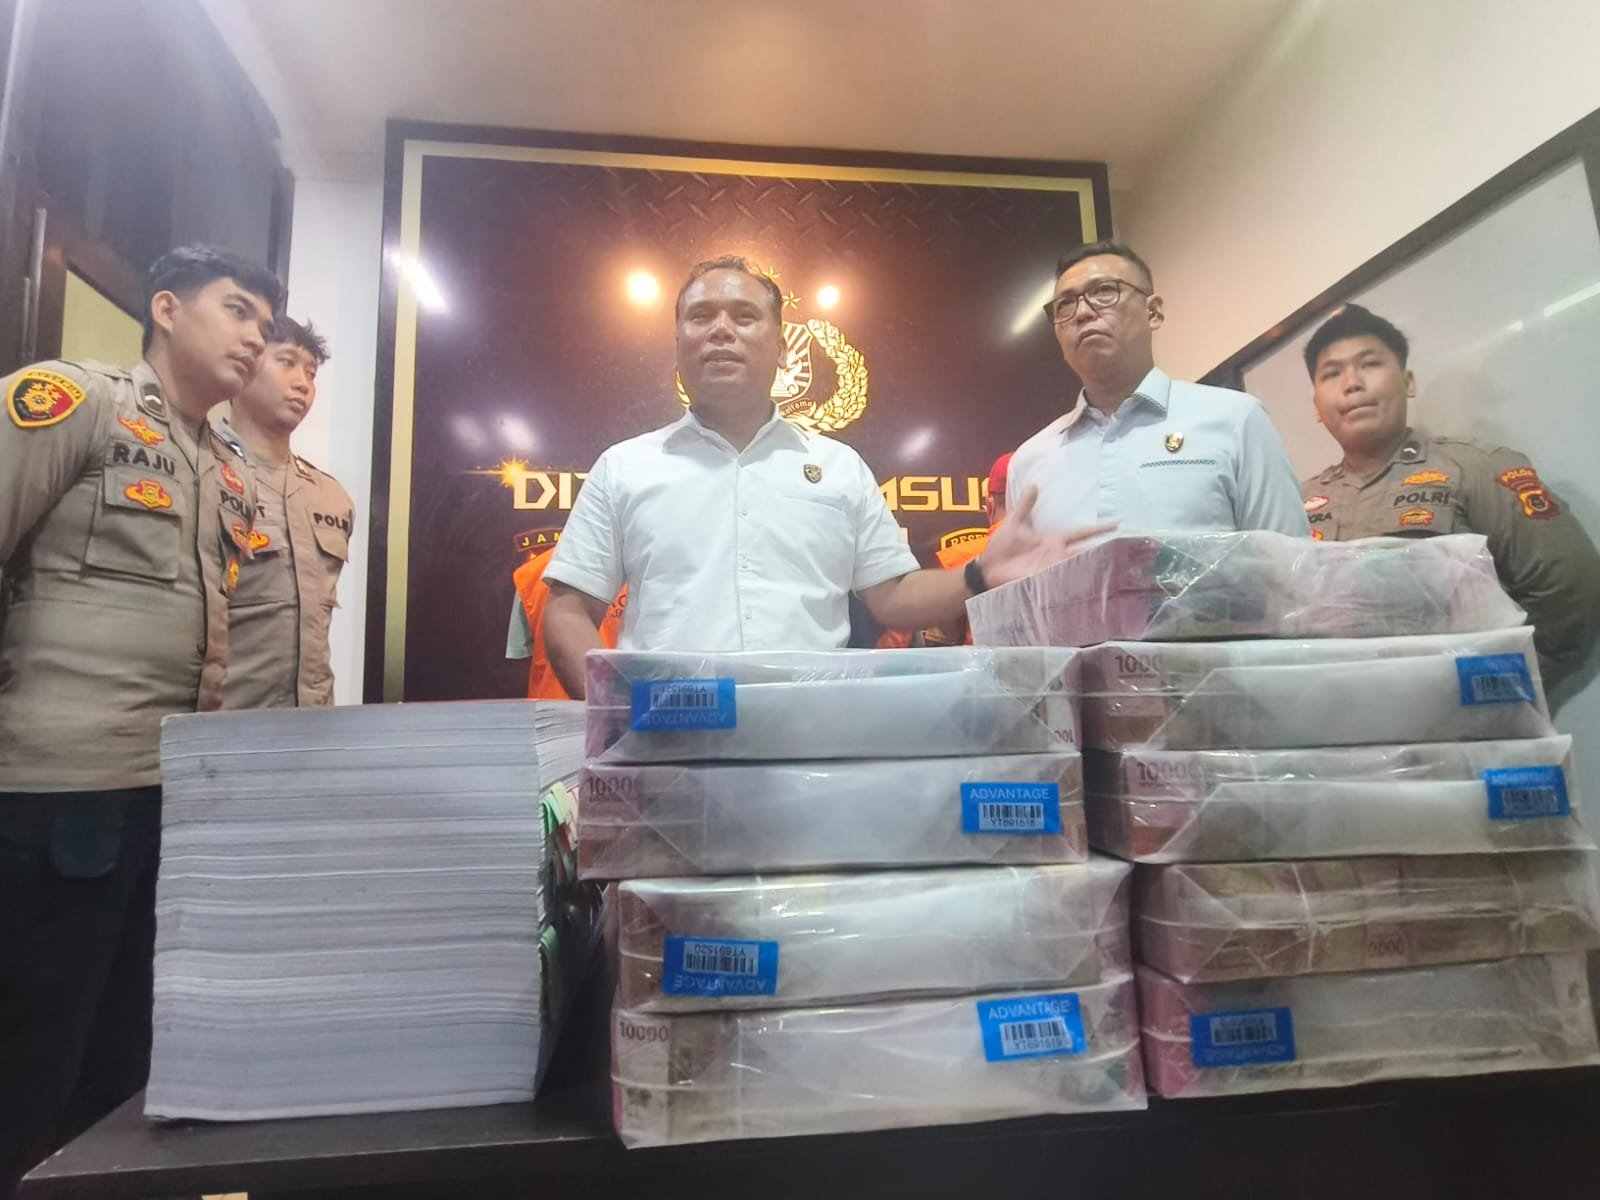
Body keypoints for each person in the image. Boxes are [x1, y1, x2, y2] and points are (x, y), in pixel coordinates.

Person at [0, 245, 280, 1192]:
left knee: (124, 1058)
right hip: (55, 790)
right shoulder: (75, 400)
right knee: (33, 1053)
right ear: (166, 308)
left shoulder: (227, 465)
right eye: (237, 311)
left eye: (265, 326)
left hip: (167, 799)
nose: (255, 339)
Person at [542, 255, 1107, 698]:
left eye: (744, 316)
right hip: (665, 742)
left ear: (781, 348)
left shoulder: (839, 467)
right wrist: (617, 709)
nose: (720, 330)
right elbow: (569, 610)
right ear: (678, 343)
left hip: (811, 741)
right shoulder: (626, 466)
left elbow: (893, 597)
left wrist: (980, 573)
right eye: (700, 316)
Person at [1300, 303, 1600, 690]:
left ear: (1407, 382)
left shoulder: (1476, 469)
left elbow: (1570, 594)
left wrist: (1490, 691)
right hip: (1335, 712)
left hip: (1459, 717)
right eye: (1331, 373)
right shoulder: (1299, 501)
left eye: (1369, 364)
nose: (1352, 383)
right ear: (1316, 407)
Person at [1008, 241, 1309, 537]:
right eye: (1065, 304)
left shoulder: (1236, 420)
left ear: (1153, 312)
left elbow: (1289, 560)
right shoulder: (1029, 462)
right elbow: (1020, 571)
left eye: (1103, 291)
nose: (1082, 313)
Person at [221, 316, 355, 709]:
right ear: (243, 365)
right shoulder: (200, 471)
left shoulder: (330, 497)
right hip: (222, 722)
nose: (303, 384)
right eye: (286, 362)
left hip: (313, 727)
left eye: (311, 372)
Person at [506, 529, 625, 699]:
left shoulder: (533, 572)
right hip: (628, 706)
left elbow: (520, 661)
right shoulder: (642, 570)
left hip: (552, 707)